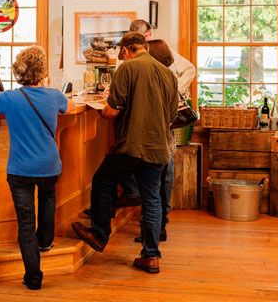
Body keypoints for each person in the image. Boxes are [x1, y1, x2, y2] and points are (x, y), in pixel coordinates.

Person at [0, 46, 75, 290]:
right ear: (41, 71)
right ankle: (46, 242)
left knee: (26, 222)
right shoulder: (54, 95)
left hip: (21, 168)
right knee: (48, 198)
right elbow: (69, 107)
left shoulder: (10, 98)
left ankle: (34, 277)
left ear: (19, 73)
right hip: (50, 165)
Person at [72, 32, 177, 274]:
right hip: (158, 147)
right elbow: (171, 117)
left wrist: (99, 109)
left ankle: (99, 234)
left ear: (128, 50)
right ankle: (151, 256)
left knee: (102, 179)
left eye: (122, 53)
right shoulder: (167, 74)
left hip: (131, 145)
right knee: (152, 200)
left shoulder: (127, 69)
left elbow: (112, 111)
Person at [116, 19, 197, 208]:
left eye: (145, 36)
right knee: (159, 166)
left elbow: (190, 69)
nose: (146, 40)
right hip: (158, 120)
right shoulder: (137, 59)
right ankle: (155, 214)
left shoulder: (158, 49)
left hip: (161, 119)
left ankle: (157, 212)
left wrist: (174, 91)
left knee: (162, 165)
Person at [133, 39, 178, 244]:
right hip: (167, 141)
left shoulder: (155, 77)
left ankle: (152, 232)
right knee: (163, 183)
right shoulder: (169, 76)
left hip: (155, 140)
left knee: (152, 189)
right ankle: (160, 226)